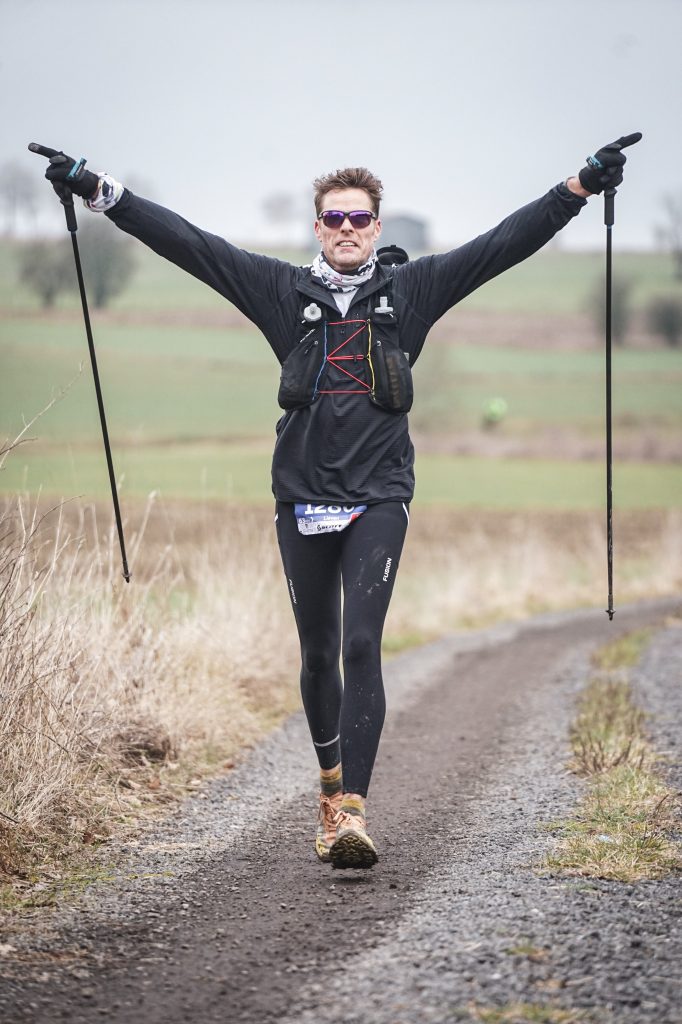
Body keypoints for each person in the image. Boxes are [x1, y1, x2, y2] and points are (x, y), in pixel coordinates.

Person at [39, 133, 641, 869]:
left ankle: (353, 811)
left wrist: (579, 187)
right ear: (318, 227)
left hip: (380, 494)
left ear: (377, 227)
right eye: (334, 218)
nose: (347, 228)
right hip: (301, 494)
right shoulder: (279, 291)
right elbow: (190, 246)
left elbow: (501, 245)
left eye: (359, 218)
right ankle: (328, 787)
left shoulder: (412, 291)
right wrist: (99, 190)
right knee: (320, 653)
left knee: (361, 645)